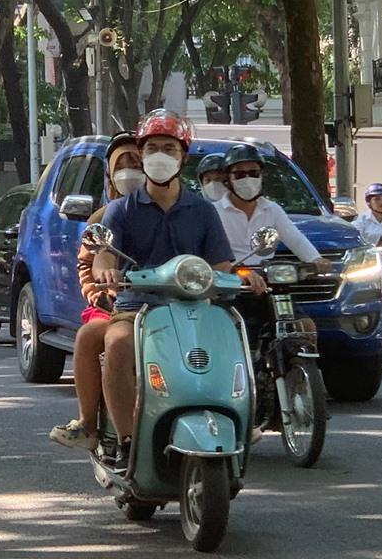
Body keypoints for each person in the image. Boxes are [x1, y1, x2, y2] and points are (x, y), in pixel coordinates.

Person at [92, 111, 257, 456]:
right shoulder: (120, 211)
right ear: (141, 155)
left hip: (195, 308)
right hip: (136, 308)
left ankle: (239, 417)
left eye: (169, 148)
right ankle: (125, 442)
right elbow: (103, 256)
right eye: (152, 148)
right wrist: (107, 271)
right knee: (118, 344)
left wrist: (242, 276)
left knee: (236, 341)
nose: (160, 156)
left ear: (183, 156)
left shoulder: (203, 211)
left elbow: (221, 266)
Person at [50, 133, 142, 453]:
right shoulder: (103, 218)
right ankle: (88, 423)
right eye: (123, 164)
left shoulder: (181, 211)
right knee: (91, 335)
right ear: (110, 173)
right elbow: (88, 265)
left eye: (136, 162)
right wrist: (99, 290)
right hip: (119, 307)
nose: (130, 170)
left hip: (169, 305)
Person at [213, 144, 323, 265]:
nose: (247, 179)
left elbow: (294, 238)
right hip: (226, 279)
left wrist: (315, 259)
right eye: (239, 175)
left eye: (254, 173)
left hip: (266, 278)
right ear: (227, 179)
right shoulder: (213, 212)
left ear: (262, 176)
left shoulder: (272, 209)